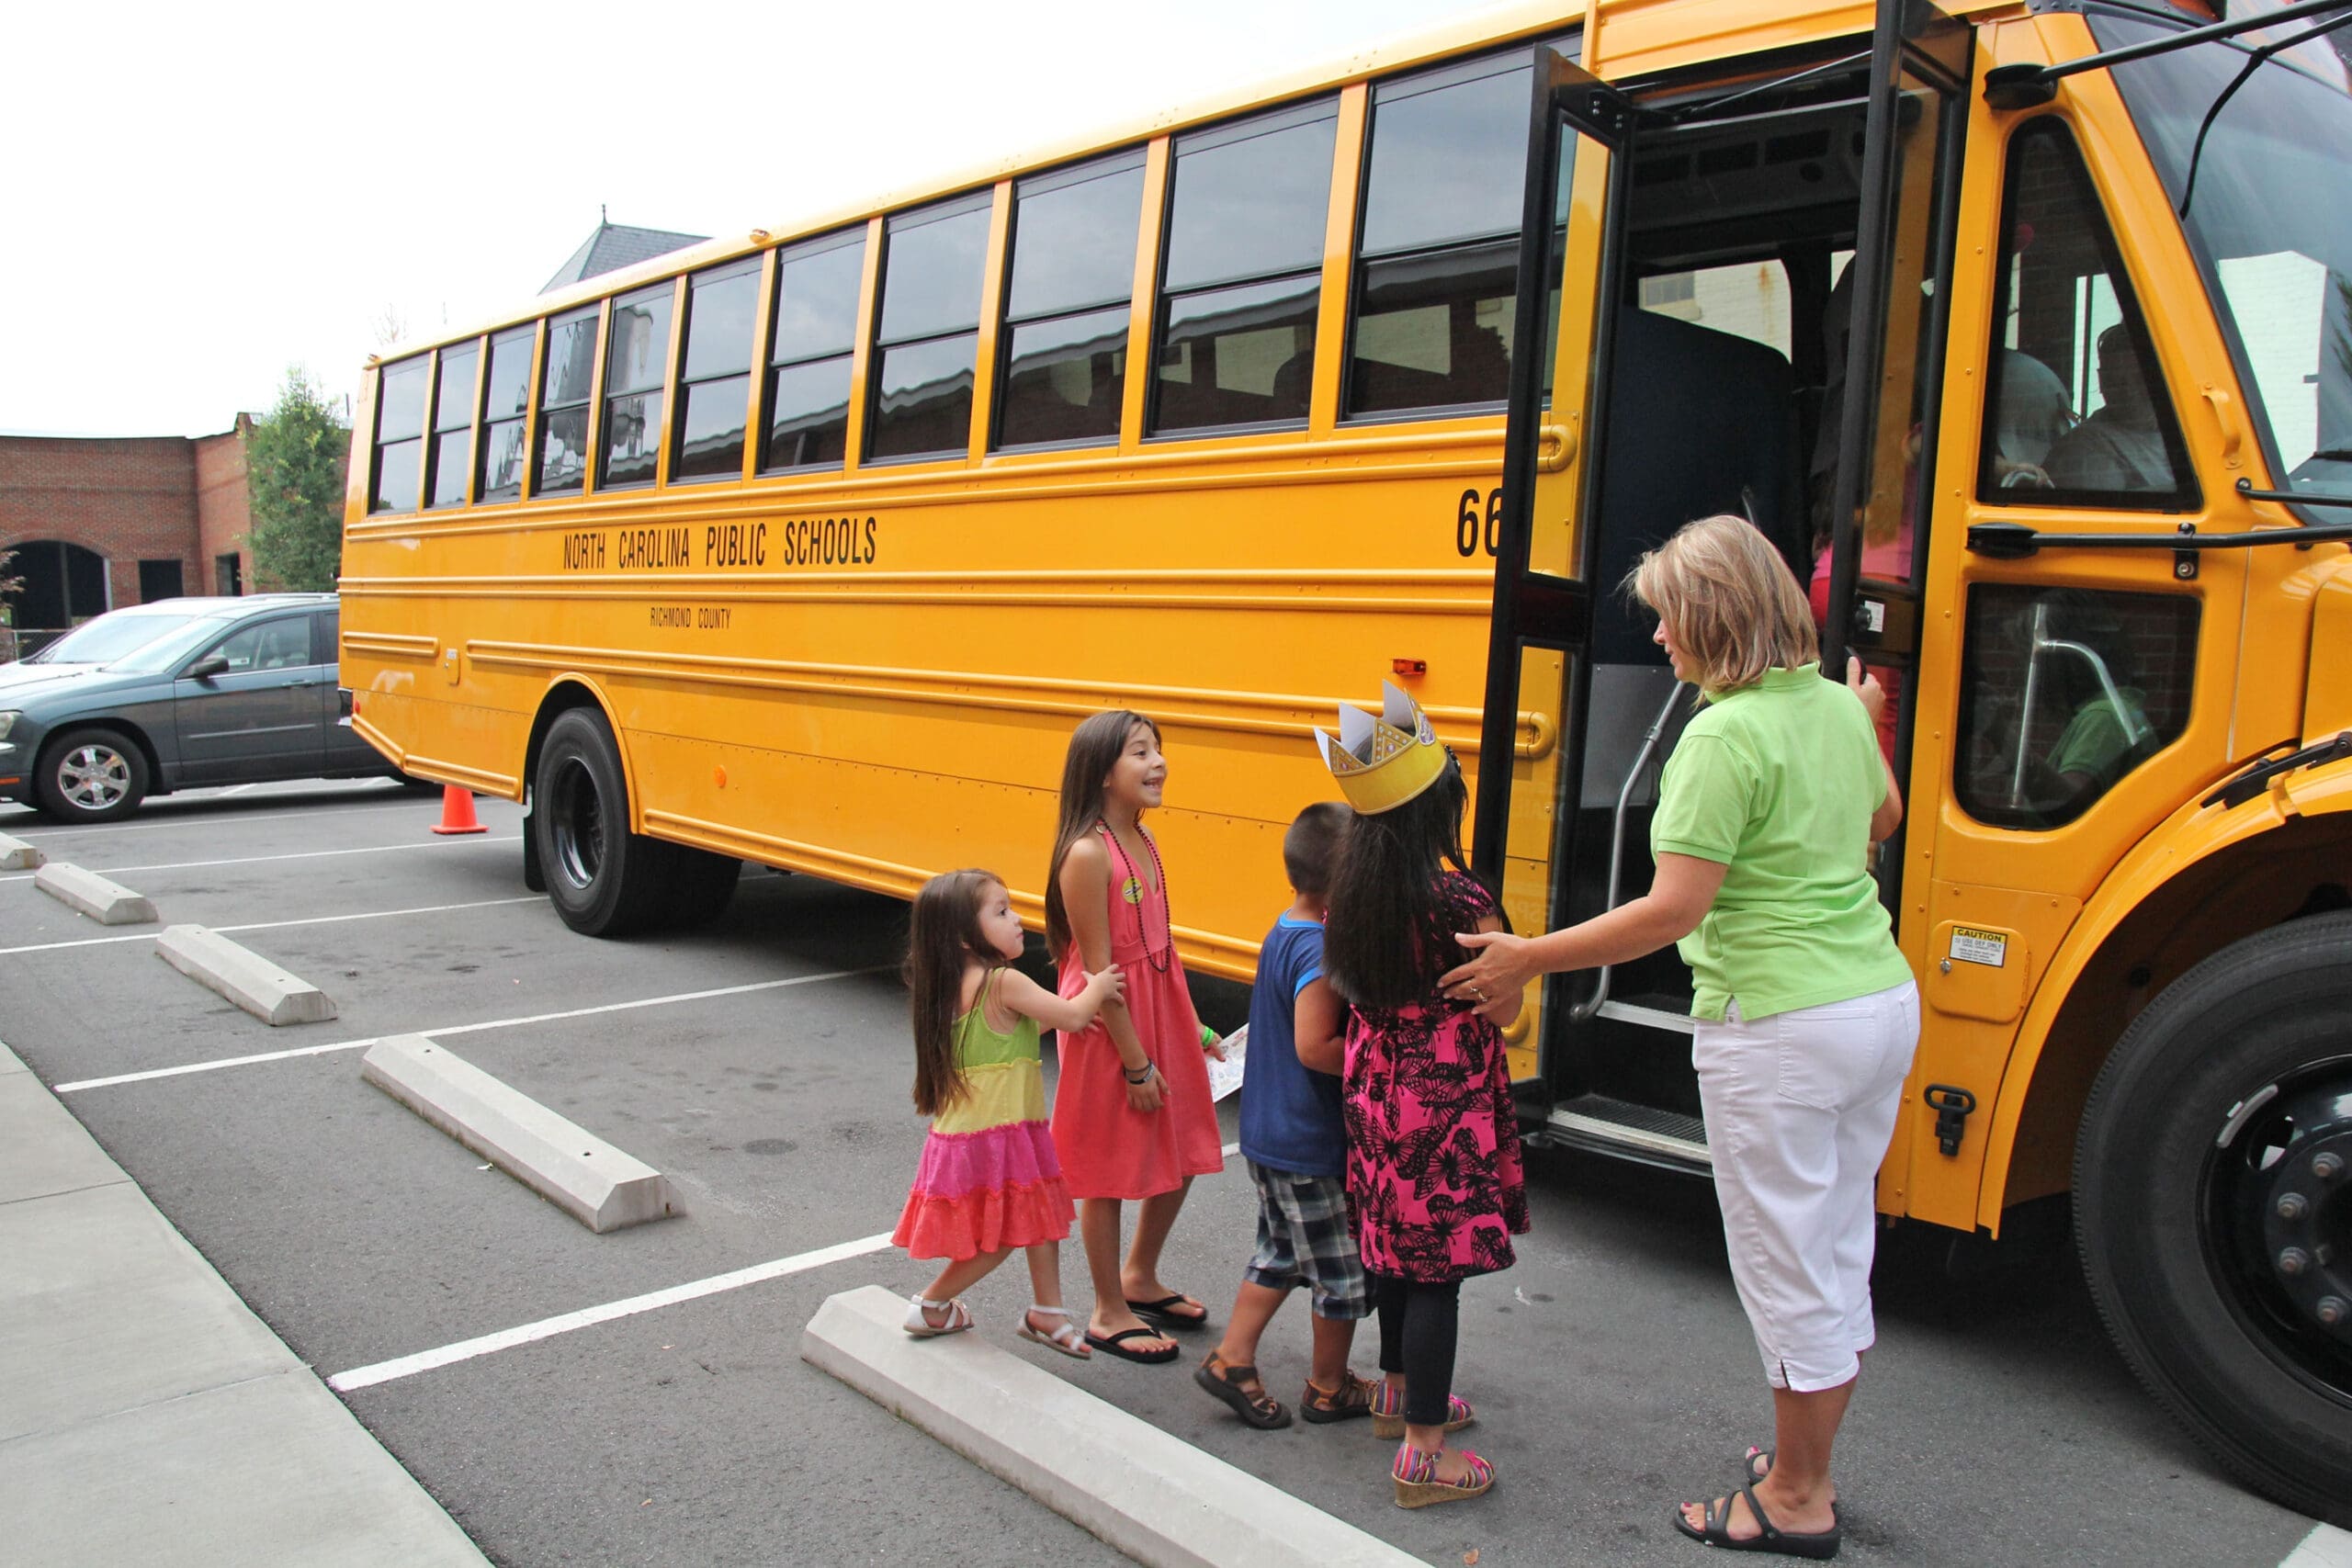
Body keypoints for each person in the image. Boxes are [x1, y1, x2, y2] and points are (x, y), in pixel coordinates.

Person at [1442, 513, 1917, 1559]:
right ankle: (1801, 1459)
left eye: (1666, 621)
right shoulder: (1837, 707)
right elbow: (1880, 822)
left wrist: (1528, 957)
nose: (1658, 641)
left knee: (1785, 1264)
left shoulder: (1721, 733)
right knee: (1836, 1242)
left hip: (1779, 1024)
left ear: (1713, 618)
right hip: (1875, 1005)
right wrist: (1863, 717)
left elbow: (1670, 912)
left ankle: (1796, 1497)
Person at [1316, 682, 1526, 1509]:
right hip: (1442, 1104)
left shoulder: (1352, 897)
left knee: (1395, 1249)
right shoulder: (1460, 900)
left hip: (1374, 1090)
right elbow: (1503, 1006)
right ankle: (1423, 1457)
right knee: (1438, 1269)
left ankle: (1400, 1388)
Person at [1045, 710, 1227, 1363]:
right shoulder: (1089, 853)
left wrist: (1192, 1026)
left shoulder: (1143, 841)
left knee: (1185, 1140)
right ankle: (1106, 1308)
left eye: (1159, 750)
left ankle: (1139, 1274)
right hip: (1109, 1029)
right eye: (1141, 752)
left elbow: (1159, 952)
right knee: (1107, 1166)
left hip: (1154, 1012)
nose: (1158, 764)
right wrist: (1135, 1064)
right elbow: (1100, 971)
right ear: (1102, 773)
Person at [1194, 801, 1377, 1430]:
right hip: (1310, 1141)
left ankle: (1232, 1357)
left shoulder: (1286, 926)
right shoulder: (1322, 949)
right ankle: (1329, 1386)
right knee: (1341, 1269)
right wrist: (1376, 1059)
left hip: (1268, 1133)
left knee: (1280, 1252)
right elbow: (1313, 1045)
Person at [894, 869, 1125, 1357]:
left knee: (1038, 1214)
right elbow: (1071, 1014)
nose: (1018, 920)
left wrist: (1070, 1013)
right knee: (1001, 1239)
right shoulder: (1002, 981)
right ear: (963, 936)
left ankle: (1049, 1312)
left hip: (976, 1136)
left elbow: (1006, 1037)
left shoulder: (954, 986)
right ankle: (932, 1304)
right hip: (995, 1138)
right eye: (1001, 912)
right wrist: (1098, 985)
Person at [2041, 322, 2174, 492]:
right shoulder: (2086, 449)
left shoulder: (2185, 434)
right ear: (2102, 381)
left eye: (2140, 379)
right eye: (2116, 381)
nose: (2130, 391)